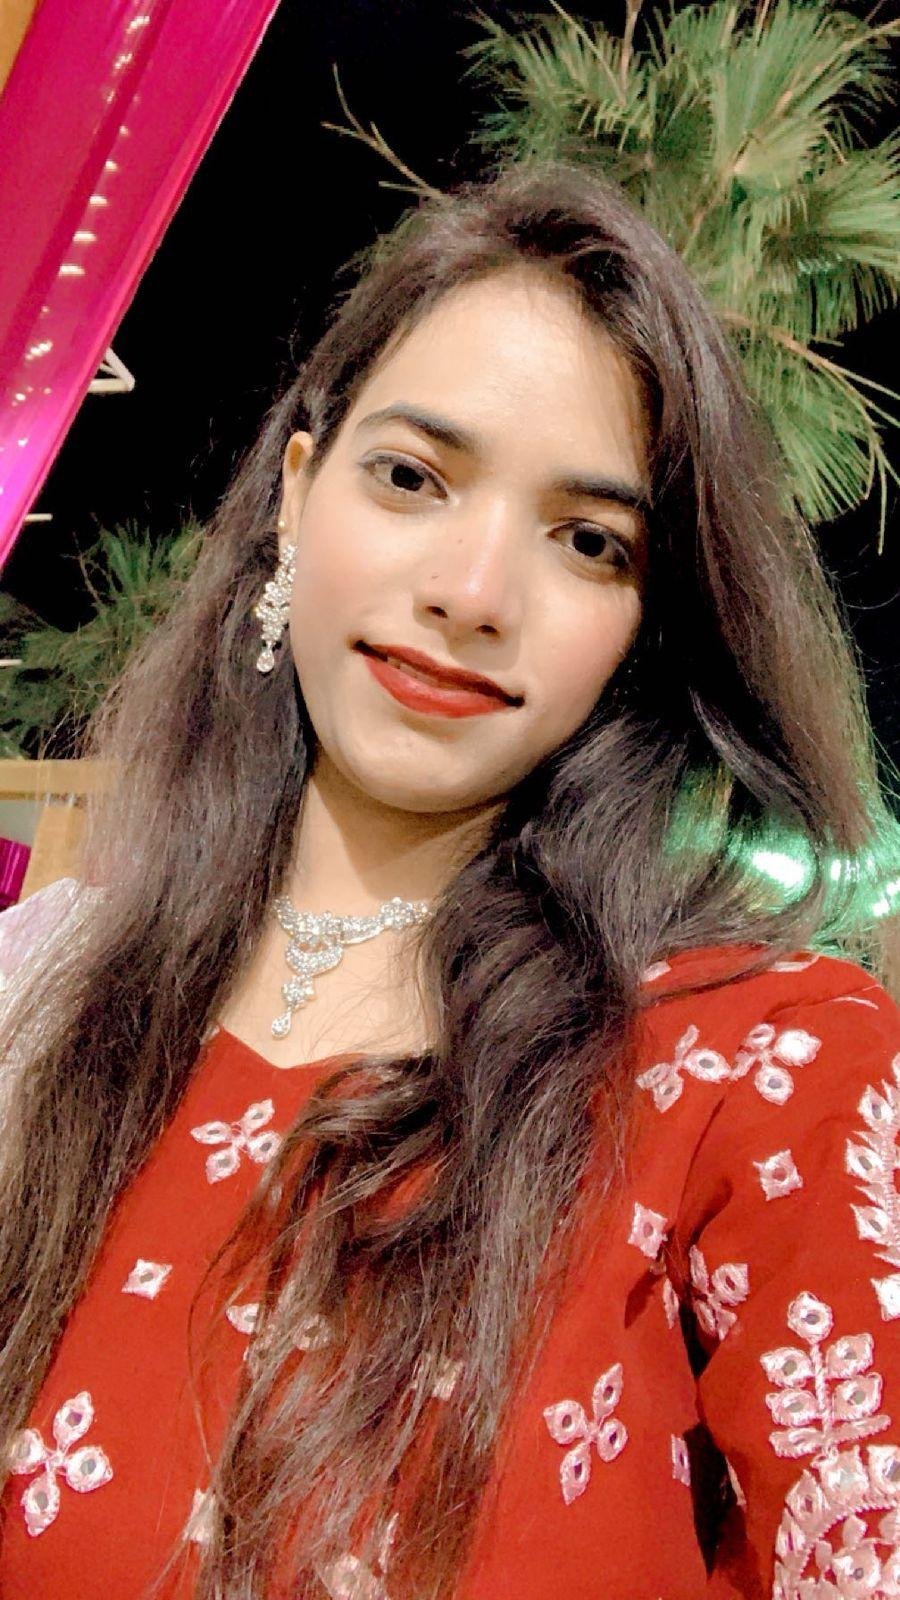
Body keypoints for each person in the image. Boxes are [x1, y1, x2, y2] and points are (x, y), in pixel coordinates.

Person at [0, 157, 898, 1600]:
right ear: (299, 492)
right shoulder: (44, 997)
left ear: (645, 625)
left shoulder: (762, 1065)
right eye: (413, 477)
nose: (473, 593)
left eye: (588, 542)